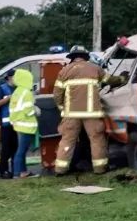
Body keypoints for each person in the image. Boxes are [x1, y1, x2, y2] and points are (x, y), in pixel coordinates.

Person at [53, 45, 126, 175]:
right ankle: (100, 168)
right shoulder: (95, 68)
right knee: (96, 139)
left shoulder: (64, 71)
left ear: (72, 57)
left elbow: (57, 93)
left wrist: (62, 108)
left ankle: (60, 169)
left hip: (71, 114)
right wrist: (122, 78)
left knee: (67, 139)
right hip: (92, 113)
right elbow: (110, 80)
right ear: (86, 57)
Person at [8, 68, 40, 179]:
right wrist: (36, 110)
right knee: (21, 151)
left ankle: (23, 172)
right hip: (26, 126)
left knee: (21, 150)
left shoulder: (17, 92)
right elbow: (28, 111)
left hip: (18, 124)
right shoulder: (27, 93)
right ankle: (17, 174)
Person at [0, 69, 17, 179]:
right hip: (6, 123)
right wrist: (8, 98)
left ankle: (15, 169)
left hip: (17, 122)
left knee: (15, 148)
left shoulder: (18, 88)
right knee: (6, 148)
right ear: (9, 78)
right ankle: (3, 170)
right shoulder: (2, 89)